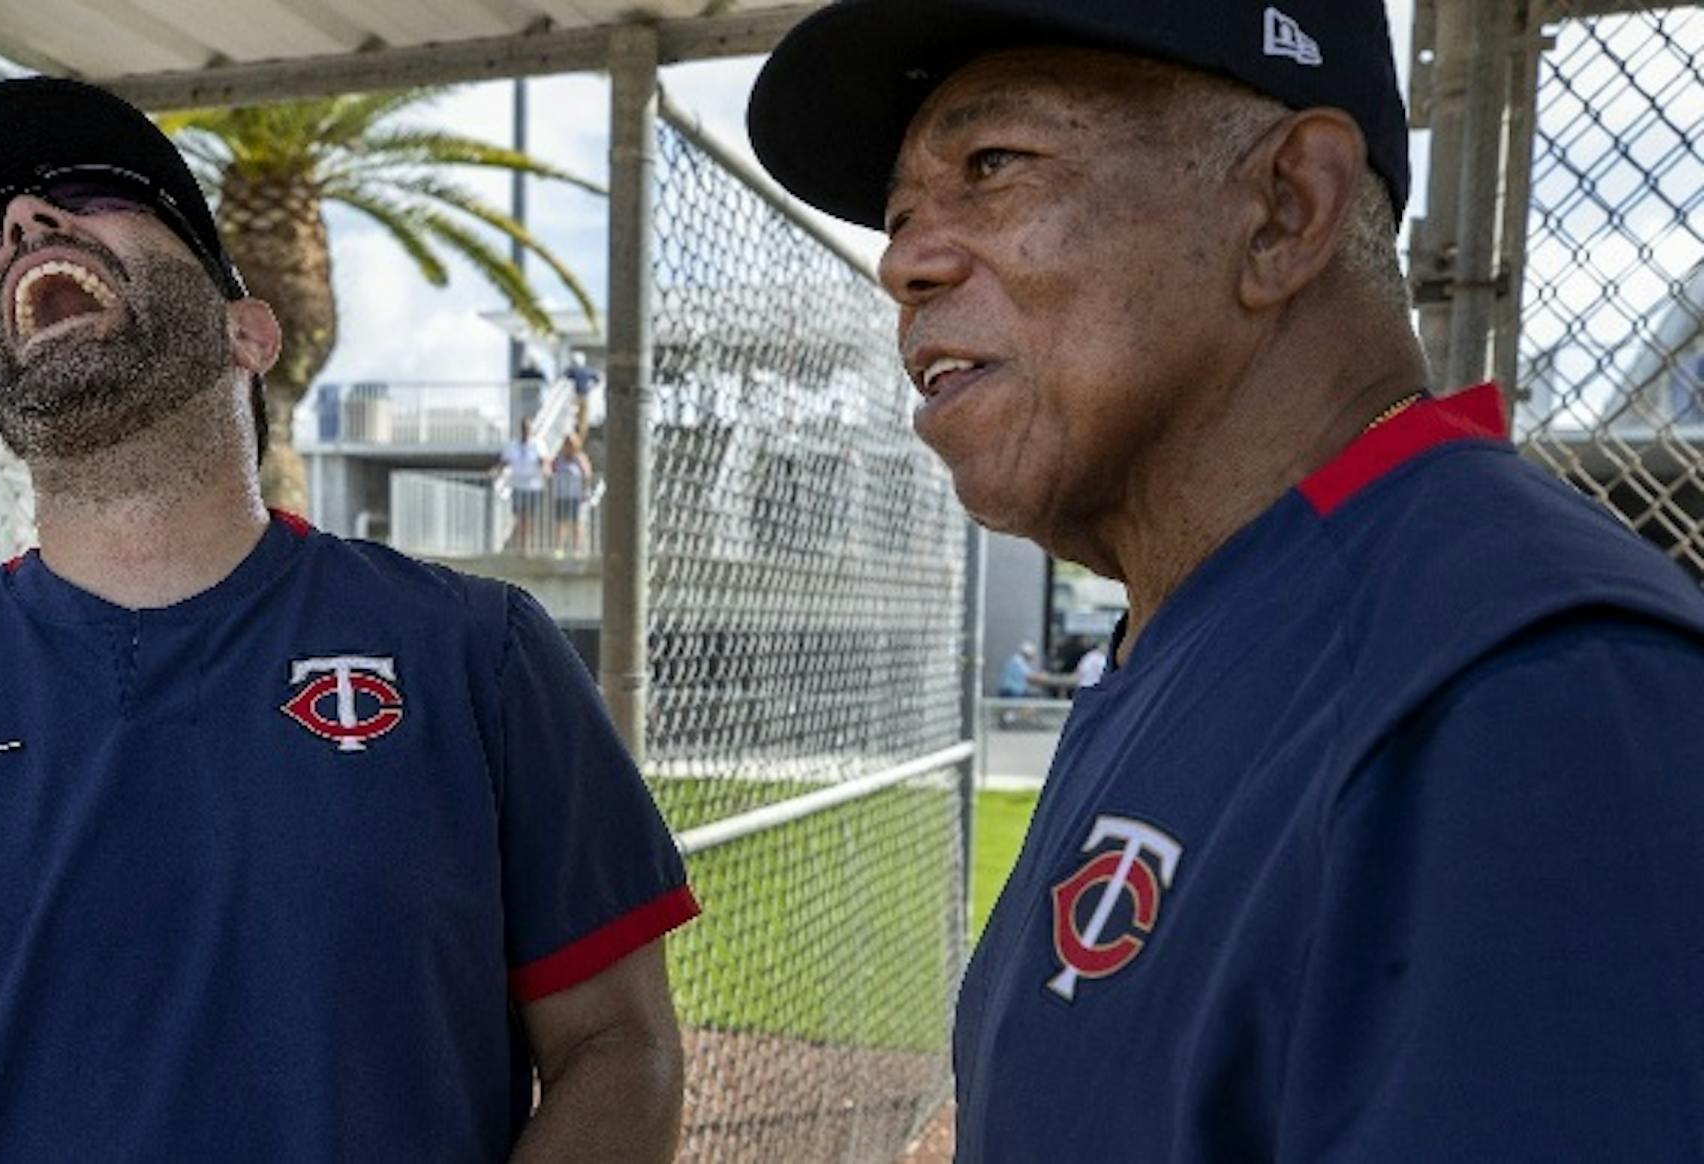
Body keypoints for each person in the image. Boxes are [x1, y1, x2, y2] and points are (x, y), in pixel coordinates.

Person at [0, 77, 697, 1163]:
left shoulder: (479, 656)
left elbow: (619, 1046)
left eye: (100, 189)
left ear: (248, 333)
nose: (20, 220)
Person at [750, 1, 1704, 1158]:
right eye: (901, 216)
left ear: (1286, 209)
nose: (905, 261)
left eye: (993, 166)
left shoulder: (1530, 690)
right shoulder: (1207, 619)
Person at [496, 416, 549, 553]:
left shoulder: (538, 444)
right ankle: (520, 545)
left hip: (533, 487)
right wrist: (496, 471)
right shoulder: (513, 445)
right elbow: (504, 462)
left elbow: (543, 462)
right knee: (518, 516)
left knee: (529, 517)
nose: (526, 430)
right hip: (518, 486)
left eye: (528, 427)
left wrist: (545, 471)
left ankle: (527, 546)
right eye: (523, 427)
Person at [550, 430, 592, 554]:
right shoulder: (560, 458)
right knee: (561, 523)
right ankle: (559, 549)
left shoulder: (580, 458)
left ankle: (577, 550)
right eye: (567, 443)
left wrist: (585, 491)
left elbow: (587, 474)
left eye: (571, 443)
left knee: (577, 524)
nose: (569, 446)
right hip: (562, 495)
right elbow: (551, 468)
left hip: (577, 496)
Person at [562, 350, 603, 440]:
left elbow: (565, 376)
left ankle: (573, 436)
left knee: (573, 416)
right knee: (583, 419)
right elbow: (598, 379)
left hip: (576, 396)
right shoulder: (588, 370)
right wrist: (591, 387)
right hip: (585, 396)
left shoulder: (572, 370)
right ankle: (580, 436)